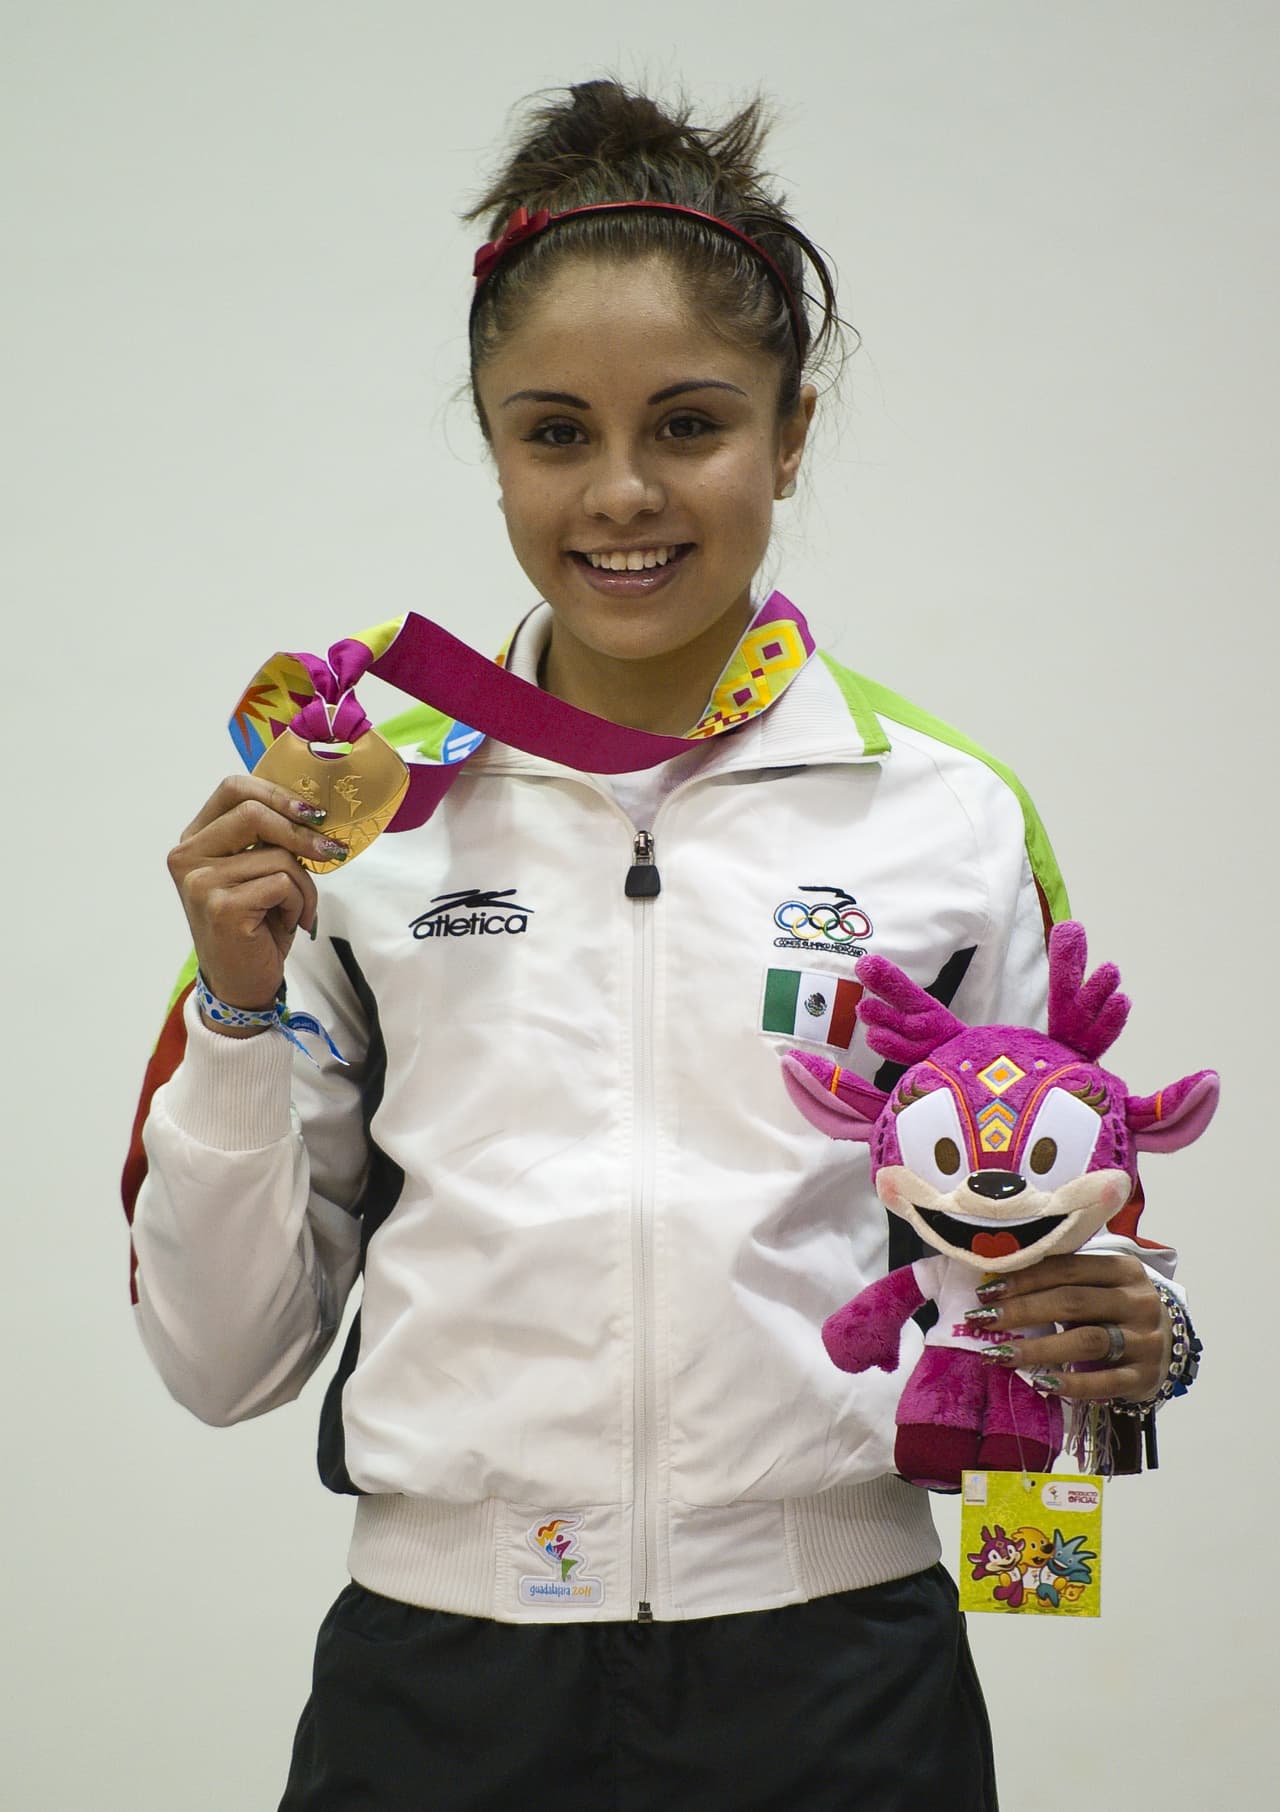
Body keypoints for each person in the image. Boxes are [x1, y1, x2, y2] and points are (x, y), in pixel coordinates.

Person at [124, 79, 1183, 1812]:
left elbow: (1056, 1240)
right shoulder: (358, 818)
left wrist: (1140, 1345)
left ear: (793, 432)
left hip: (837, 1676)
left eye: (689, 424)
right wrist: (237, 1013)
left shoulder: (943, 815)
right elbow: (220, 1361)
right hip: (440, 1685)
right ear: (490, 441)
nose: (620, 493)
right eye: (554, 433)